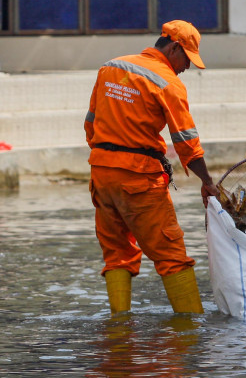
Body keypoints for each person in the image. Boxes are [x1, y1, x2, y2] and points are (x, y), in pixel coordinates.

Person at [84, 20, 218, 315]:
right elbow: (186, 142)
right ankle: (191, 332)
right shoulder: (167, 82)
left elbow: (90, 123)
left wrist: (108, 155)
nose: (187, 68)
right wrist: (207, 181)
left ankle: (119, 330)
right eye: (187, 60)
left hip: (102, 174)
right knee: (172, 256)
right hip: (139, 178)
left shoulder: (111, 67)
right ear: (174, 48)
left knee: (117, 255)